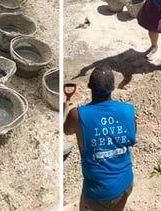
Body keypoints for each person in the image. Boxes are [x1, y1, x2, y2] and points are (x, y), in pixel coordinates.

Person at [63, 65, 137, 211]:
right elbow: (132, 137)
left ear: (90, 86)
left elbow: (67, 130)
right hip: (125, 183)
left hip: (97, 193)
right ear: (113, 88)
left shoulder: (77, 115)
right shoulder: (128, 111)